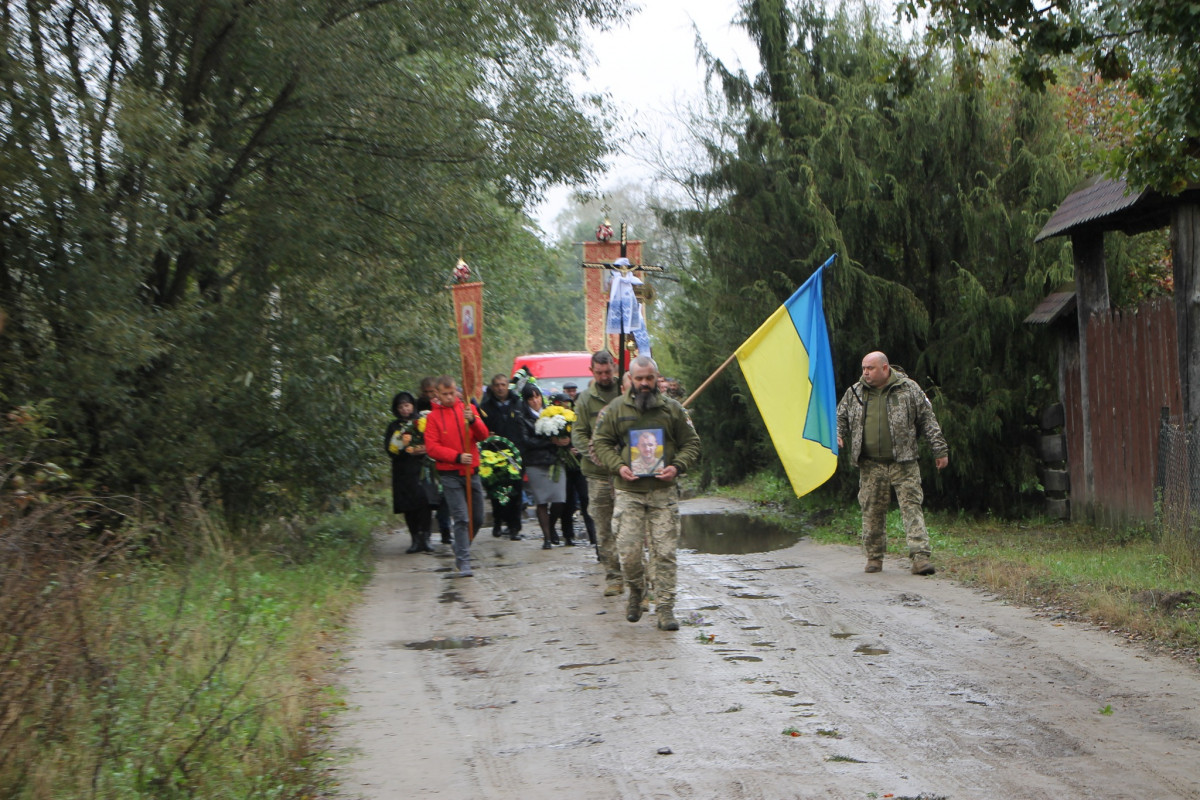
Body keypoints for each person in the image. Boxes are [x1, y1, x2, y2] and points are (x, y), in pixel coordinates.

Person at [592, 356, 701, 631]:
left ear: (656, 378)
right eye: (639, 378)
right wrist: (618, 466)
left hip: (663, 493)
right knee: (628, 553)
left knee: (664, 553)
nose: (643, 383)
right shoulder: (615, 410)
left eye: (649, 378)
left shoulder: (672, 410)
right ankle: (636, 591)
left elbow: (692, 443)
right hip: (629, 491)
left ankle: (665, 608)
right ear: (630, 378)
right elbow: (601, 443)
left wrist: (677, 466)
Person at [836, 351, 949, 575]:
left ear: (885, 368)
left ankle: (920, 558)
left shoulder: (909, 389)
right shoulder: (855, 393)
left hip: (904, 462)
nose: (865, 373)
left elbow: (928, 419)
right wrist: (837, 434)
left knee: (911, 507)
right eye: (863, 368)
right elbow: (840, 417)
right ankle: (874, 558)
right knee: (872, 511)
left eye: (870, 368)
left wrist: (939, 449)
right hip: (870, 464)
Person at [424, 375, 489, 576]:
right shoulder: (433, 418)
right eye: (445, 394)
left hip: (472, 472)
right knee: (461, 517)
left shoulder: (468, 410)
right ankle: (463, 561)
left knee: (478, 517)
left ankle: (461, 545)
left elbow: (483, 435)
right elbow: (432, 448)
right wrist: (457, 457)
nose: (450, 397)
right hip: (450, 474)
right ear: (438, 395)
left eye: (452, 393)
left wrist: (474, 421)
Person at [571, 351, 623, 594]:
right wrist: (593, 451)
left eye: (608, 371)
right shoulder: (584, 399)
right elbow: (578, 433)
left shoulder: (625, 390)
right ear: (592, 371)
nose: (604, 376)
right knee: (603, 526)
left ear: (614, 368)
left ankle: (636, 574)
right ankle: (613, 575)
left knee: (628, 525)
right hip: (597, 473)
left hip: (626, 472)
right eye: (599, 372)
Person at [516, 383, 569, 549]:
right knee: (542, 501)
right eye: (531, 398)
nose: (535, 401)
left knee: (559, 499)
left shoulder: (552, 413)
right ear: (526, 401)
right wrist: (549, 441)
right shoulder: (521, 417)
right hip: (535, 462)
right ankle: (546, 537)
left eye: (537, 396)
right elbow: (525, 441)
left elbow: (565, 431)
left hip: (555, 460)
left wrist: (565, 442)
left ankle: (552, 526)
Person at [384, 391, 434, 554]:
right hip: (403, 472)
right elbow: (390, 450)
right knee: (408, 505)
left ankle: (426, 537)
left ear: (413, 405)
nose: (404, 409)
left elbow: (433, 441)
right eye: (401, 407)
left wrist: (424, 449)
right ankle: (414, 538)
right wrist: (406, 449)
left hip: (422, 468)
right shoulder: (394, 427)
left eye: (407, 405)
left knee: (425, 503)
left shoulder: (422, 421)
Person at [479, 373, 525, 540]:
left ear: (507, 386)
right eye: (497, 385)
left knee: (516, 492)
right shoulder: (485, 406)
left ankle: (514, 528)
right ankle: (498, 522)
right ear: (492, 387)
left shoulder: (518, 403)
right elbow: (480, 429)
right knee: (496, 492)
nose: (500, 388)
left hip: (515, 454)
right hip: (494, 455)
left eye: (503, 385)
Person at [550, 391, 594, 547]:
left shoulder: (579, 417)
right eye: (563, 403)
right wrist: (564, 448)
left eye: (568, 402)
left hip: (580, 464)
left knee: (585, 498)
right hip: (564, 464)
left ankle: (593, 535)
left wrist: (579, 448)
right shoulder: (553, 419)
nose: (566, 405)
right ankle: (567, 535)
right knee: (567, 502)